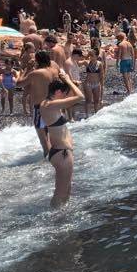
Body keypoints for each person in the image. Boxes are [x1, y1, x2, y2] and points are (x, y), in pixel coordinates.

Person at [39, 78, 85, 209]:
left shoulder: (49, 104)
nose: (65, 96)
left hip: (60, 152)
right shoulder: (49, 105)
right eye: (64, 93)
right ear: (58, 91)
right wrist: (68, 80)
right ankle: (53, 217)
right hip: (62, 154)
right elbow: (80, 97)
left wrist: (71, 84)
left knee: (66, 189)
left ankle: (62, 214)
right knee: (61, 192)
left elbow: (73, 96)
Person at [23, 50, 60, 156]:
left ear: (37, 61)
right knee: (54, 139)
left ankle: (47, 161)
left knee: (44, 142)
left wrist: (27, 69)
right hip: (54, 106)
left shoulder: (36, 73)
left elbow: (19, 83)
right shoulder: (54, 70)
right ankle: (57, 160)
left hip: (40, 108)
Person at [82, 49, 104, 117]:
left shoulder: (99, 64)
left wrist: (102, 85)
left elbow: (101, 75)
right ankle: (87, 116)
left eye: (92, 55)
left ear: (97, 56)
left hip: (96, 84)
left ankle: (96, 115)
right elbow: (77, 62)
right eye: (90, 55)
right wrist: (87, 55)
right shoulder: (86, 62)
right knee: (88, 101)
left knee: (96, 101)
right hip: (88, 84)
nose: (90, 57)